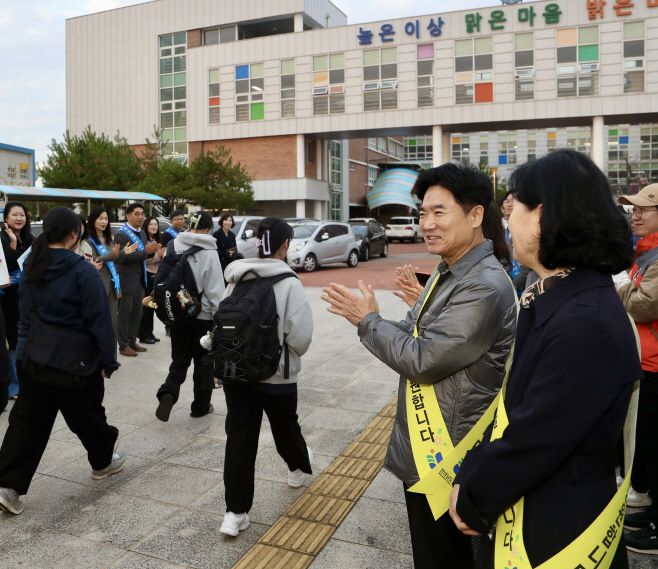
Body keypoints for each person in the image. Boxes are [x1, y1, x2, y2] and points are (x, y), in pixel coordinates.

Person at [449, 149, 640, 568]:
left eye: (513, 206)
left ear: (544, 216)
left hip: (557, 530)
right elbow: (514, 411)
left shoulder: (585, 322)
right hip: (538, 508)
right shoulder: (557, 298)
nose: (507, 220)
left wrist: (473, 495)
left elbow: (536, 436)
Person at [322, 163, 517, 569]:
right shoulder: (451, 271)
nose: (426, 224)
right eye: (422, 213)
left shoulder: (481, 283)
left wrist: (367, 321)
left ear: (476, 215)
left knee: (445, 557)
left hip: (449, 455)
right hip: (430, 444)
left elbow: (422, 360)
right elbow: (415, 334)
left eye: (439, 212)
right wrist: (373, 317)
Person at [0, 207, 124, 516]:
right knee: (89, 418)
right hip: (76, 364)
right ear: (74, 234)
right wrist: (108, 360)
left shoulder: (32, 265)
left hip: (34, 359)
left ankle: (7, 487)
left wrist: (24, 355)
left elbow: (25, 317)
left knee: (26, 423)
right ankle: (103, 463)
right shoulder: (84, 271)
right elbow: (101, 323)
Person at [219, 217, 313, 537]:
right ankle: (297, 466)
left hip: (237, 375)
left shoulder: (236, 276)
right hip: (277, 377)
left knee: (240, 440)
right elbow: (300, 339)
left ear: (258, 242)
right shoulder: (289, 283)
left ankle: (235, 514)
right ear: (285, 245)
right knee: (286, 429)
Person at [617, 184, 658, 552]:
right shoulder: (644, 253)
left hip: (656, 367)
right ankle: (646, 512)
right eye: (634, 210)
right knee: (641, 444)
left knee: (653, 445)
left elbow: (644, 304)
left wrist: (619, 288)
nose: (636, 216)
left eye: (645, 209)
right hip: (642, 363)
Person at [155, 211, 224, 421]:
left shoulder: (175, 245)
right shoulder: (209, 251)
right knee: (203, 364)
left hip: (178, 315)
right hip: (202, 318)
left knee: (179, 361)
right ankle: (200, 407)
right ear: (208, 229)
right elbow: (215, 291)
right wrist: (219, 319)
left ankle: (168, 392)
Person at [82, 207, 138, 361]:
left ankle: (111, 358)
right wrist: (112, 255)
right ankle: (98, 357)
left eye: (106, 218)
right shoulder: (87, 240)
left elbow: (114, 259)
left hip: (113, 285)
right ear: (93, 220)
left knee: (112, 323)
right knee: (99, 323)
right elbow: (93, 261)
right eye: (100, 218)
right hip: (98, 285)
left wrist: (122, 254)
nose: (104, 222)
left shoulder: (108, 239)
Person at [114, 203, 161, 357]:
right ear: (128, 216)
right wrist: (145, 252)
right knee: (124, 313)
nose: (141, 217)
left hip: (141, 279)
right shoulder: (121, 235)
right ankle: (123, 345)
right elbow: (123, 258)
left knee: (137, 312)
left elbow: (142, 255)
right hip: (126, 279)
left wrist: (151, 251)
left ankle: (132, 340)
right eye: (137, 214)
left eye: (142, 214)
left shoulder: (141, 234)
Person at [0, 202, 35, 401]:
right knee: (13, 338)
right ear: (6, 218)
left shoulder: (31, 239)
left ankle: (27, 379)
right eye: (14, 215)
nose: (19, 218)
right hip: (8, 298)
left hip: (29, 295)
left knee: (29, 335)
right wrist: (12, 245)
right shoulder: (2, 238)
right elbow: (5, 265)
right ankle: (14, 385)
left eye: (22, 214)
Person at [138, 216, 162, 344]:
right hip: (147, 274)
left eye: (156, 224)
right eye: (151, 224)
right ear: (146, 226)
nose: (154, 226)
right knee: (145, 307)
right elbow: (145, 259)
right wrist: (159, 255)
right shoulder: (144, 240)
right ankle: (143, 334)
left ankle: (150, 332)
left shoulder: (155, 239)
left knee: (152, 306)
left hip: (155, 275)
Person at [213, 214, 237, 285]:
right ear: (222, 221)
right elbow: (215, 250)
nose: (228, 222)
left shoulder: (232, 235)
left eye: (230, 220)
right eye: (225, 220)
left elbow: (235, 249)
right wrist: (227, 254)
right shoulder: (217, 234)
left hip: (230, 263)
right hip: (221, 263)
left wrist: (232, 255)